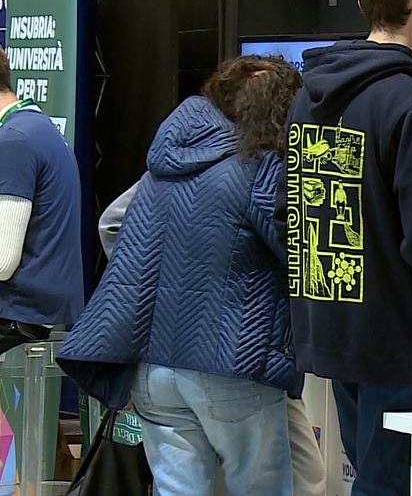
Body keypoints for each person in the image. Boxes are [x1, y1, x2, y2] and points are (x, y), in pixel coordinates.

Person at [275, 0, 412, 496]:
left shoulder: (307, 98)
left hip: (329, 322)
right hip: (393, 337)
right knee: (384, 485)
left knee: (368, 476)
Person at [57, 56, 304, 496]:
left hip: (153, 370)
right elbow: (299, 254)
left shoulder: (161, 169)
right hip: (233, 365)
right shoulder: (264, 169)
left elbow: (115, 230)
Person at [96, 176, 326, 496]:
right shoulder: (261, 168)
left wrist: (170, 292)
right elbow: (302, 254)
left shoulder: (171, 161)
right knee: (298, 479)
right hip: (237, 353)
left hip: (159, 360)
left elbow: (113, 222)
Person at [0, 46, 83, 348]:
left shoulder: (14, 139)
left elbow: (3, 260)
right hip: (39, 303)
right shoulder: (33, 125)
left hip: (22, 309)